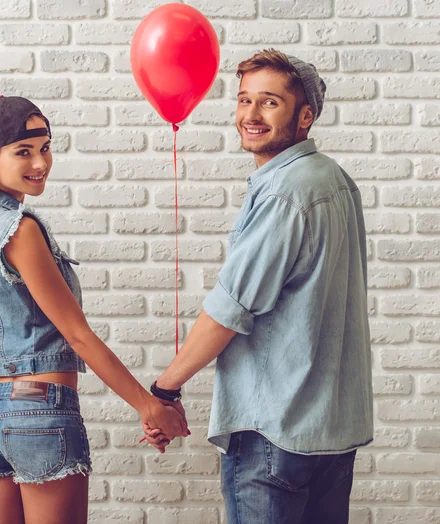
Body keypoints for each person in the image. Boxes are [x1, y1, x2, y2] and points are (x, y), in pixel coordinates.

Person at [0, 95, 188, 524]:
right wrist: (147, 406)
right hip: (40, 412)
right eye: (24, 151)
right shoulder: (19, 231)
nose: (41, 162)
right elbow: (77, 334)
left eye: (46, 147)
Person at [144, 49, 373, 524]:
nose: (250, 115)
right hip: (331, 432)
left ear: (305, 114)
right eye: (243, 100)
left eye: (269, 102)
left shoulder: (286, 192)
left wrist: (163, 391)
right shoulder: (334, 179)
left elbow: (229, 309)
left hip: (276, 431)